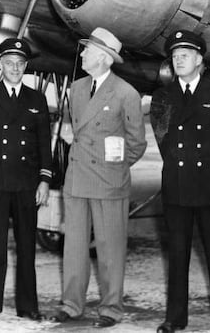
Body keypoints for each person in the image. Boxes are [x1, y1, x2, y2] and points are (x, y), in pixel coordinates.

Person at [51, 27, 146, 328]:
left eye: (87, 50)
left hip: (109, 182)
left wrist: (113, 170)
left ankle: (111, 308)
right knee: (74, 248)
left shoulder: (126, 93)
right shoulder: (76, 89)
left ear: (103, 58)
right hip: (77, 179)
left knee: (110, 249)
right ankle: (71, 304)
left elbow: (136, 143)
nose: (81, 54)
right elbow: (75, 130)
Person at [150, 30, 210, 333]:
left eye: (186, 54)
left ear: (200, 59)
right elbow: (165, 144)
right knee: (178, 254)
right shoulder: (162, 97)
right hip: (178, 186)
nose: (179, 59)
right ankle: (175, 318)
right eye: (175, 55)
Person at [0, 37, 52, 322]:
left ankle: (28, 305)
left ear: (25, 66)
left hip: (27, 185)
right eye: (9, 63)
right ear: (0, 65)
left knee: (27, 247)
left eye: (20, 64)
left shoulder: (36, 99)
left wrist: (44, 181)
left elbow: (44, 144)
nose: (15, 68)